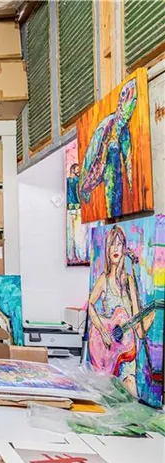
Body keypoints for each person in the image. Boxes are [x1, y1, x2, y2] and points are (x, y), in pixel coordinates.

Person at [87, 225, 155, 396]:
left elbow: (138, 329)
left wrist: (152, 316)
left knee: (131, 387)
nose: (115, 249)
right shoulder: (103, 279)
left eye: (119, 244)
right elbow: (90, 305)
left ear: (124, 248)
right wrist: (102, 330)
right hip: (109, 349)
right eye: (112, 244)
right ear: (107, 249)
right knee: (108, 394)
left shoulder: (129, 281)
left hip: (128, 349)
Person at [80, 78, 138, 218]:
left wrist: (132, 186)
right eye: (124, 94)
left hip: (113, 173)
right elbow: (94, 153)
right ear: (120, 103)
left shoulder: (124, 131)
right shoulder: (108, 124)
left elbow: (128, 162)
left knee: (115, 203)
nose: (130, 94)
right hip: (100, 167)